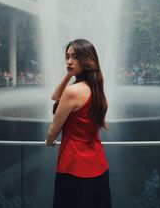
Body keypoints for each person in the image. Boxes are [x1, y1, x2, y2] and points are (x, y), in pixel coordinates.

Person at [45, 39, 112, 208]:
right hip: (99, 165)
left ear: (87, 59)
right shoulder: (96, 89)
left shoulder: (73, 92)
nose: (69, 61)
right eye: (67, 57)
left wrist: (49, 141)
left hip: (73, 167)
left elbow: (53, 129)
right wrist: (71, 73)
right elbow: (55, 97)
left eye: (75, 57)